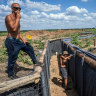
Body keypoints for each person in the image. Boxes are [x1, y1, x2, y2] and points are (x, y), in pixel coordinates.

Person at [5, 3, 38, 79]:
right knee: (12, 58)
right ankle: (11, 74)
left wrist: (23, 40)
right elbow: (13, 29)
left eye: (19, 8)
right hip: (11, 41)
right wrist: (18, 19)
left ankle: (36, 63)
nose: (18, 10)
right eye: (16, 8)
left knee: (29, 48)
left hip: (18, 40)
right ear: (12, 9)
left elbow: (17, 32)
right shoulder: (8, 17)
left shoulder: (17, 18)